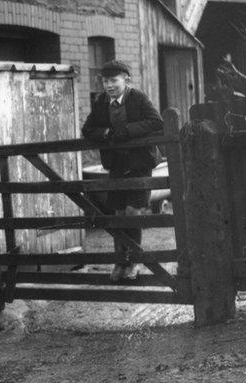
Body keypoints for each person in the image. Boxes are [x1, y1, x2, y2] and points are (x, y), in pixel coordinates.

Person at [82, 59, 163, 282]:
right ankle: (120, 261)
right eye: (105, 81)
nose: (109, 86)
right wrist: (106, 133)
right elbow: (88, 129)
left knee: (132, 212)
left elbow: (157, 122)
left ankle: (134, 262)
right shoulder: (101, 103)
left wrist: (127, 131)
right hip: (116, 166)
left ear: (125, 80)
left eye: (114, 81)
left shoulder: (138, 98)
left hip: (139, 165)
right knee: (117, 215)